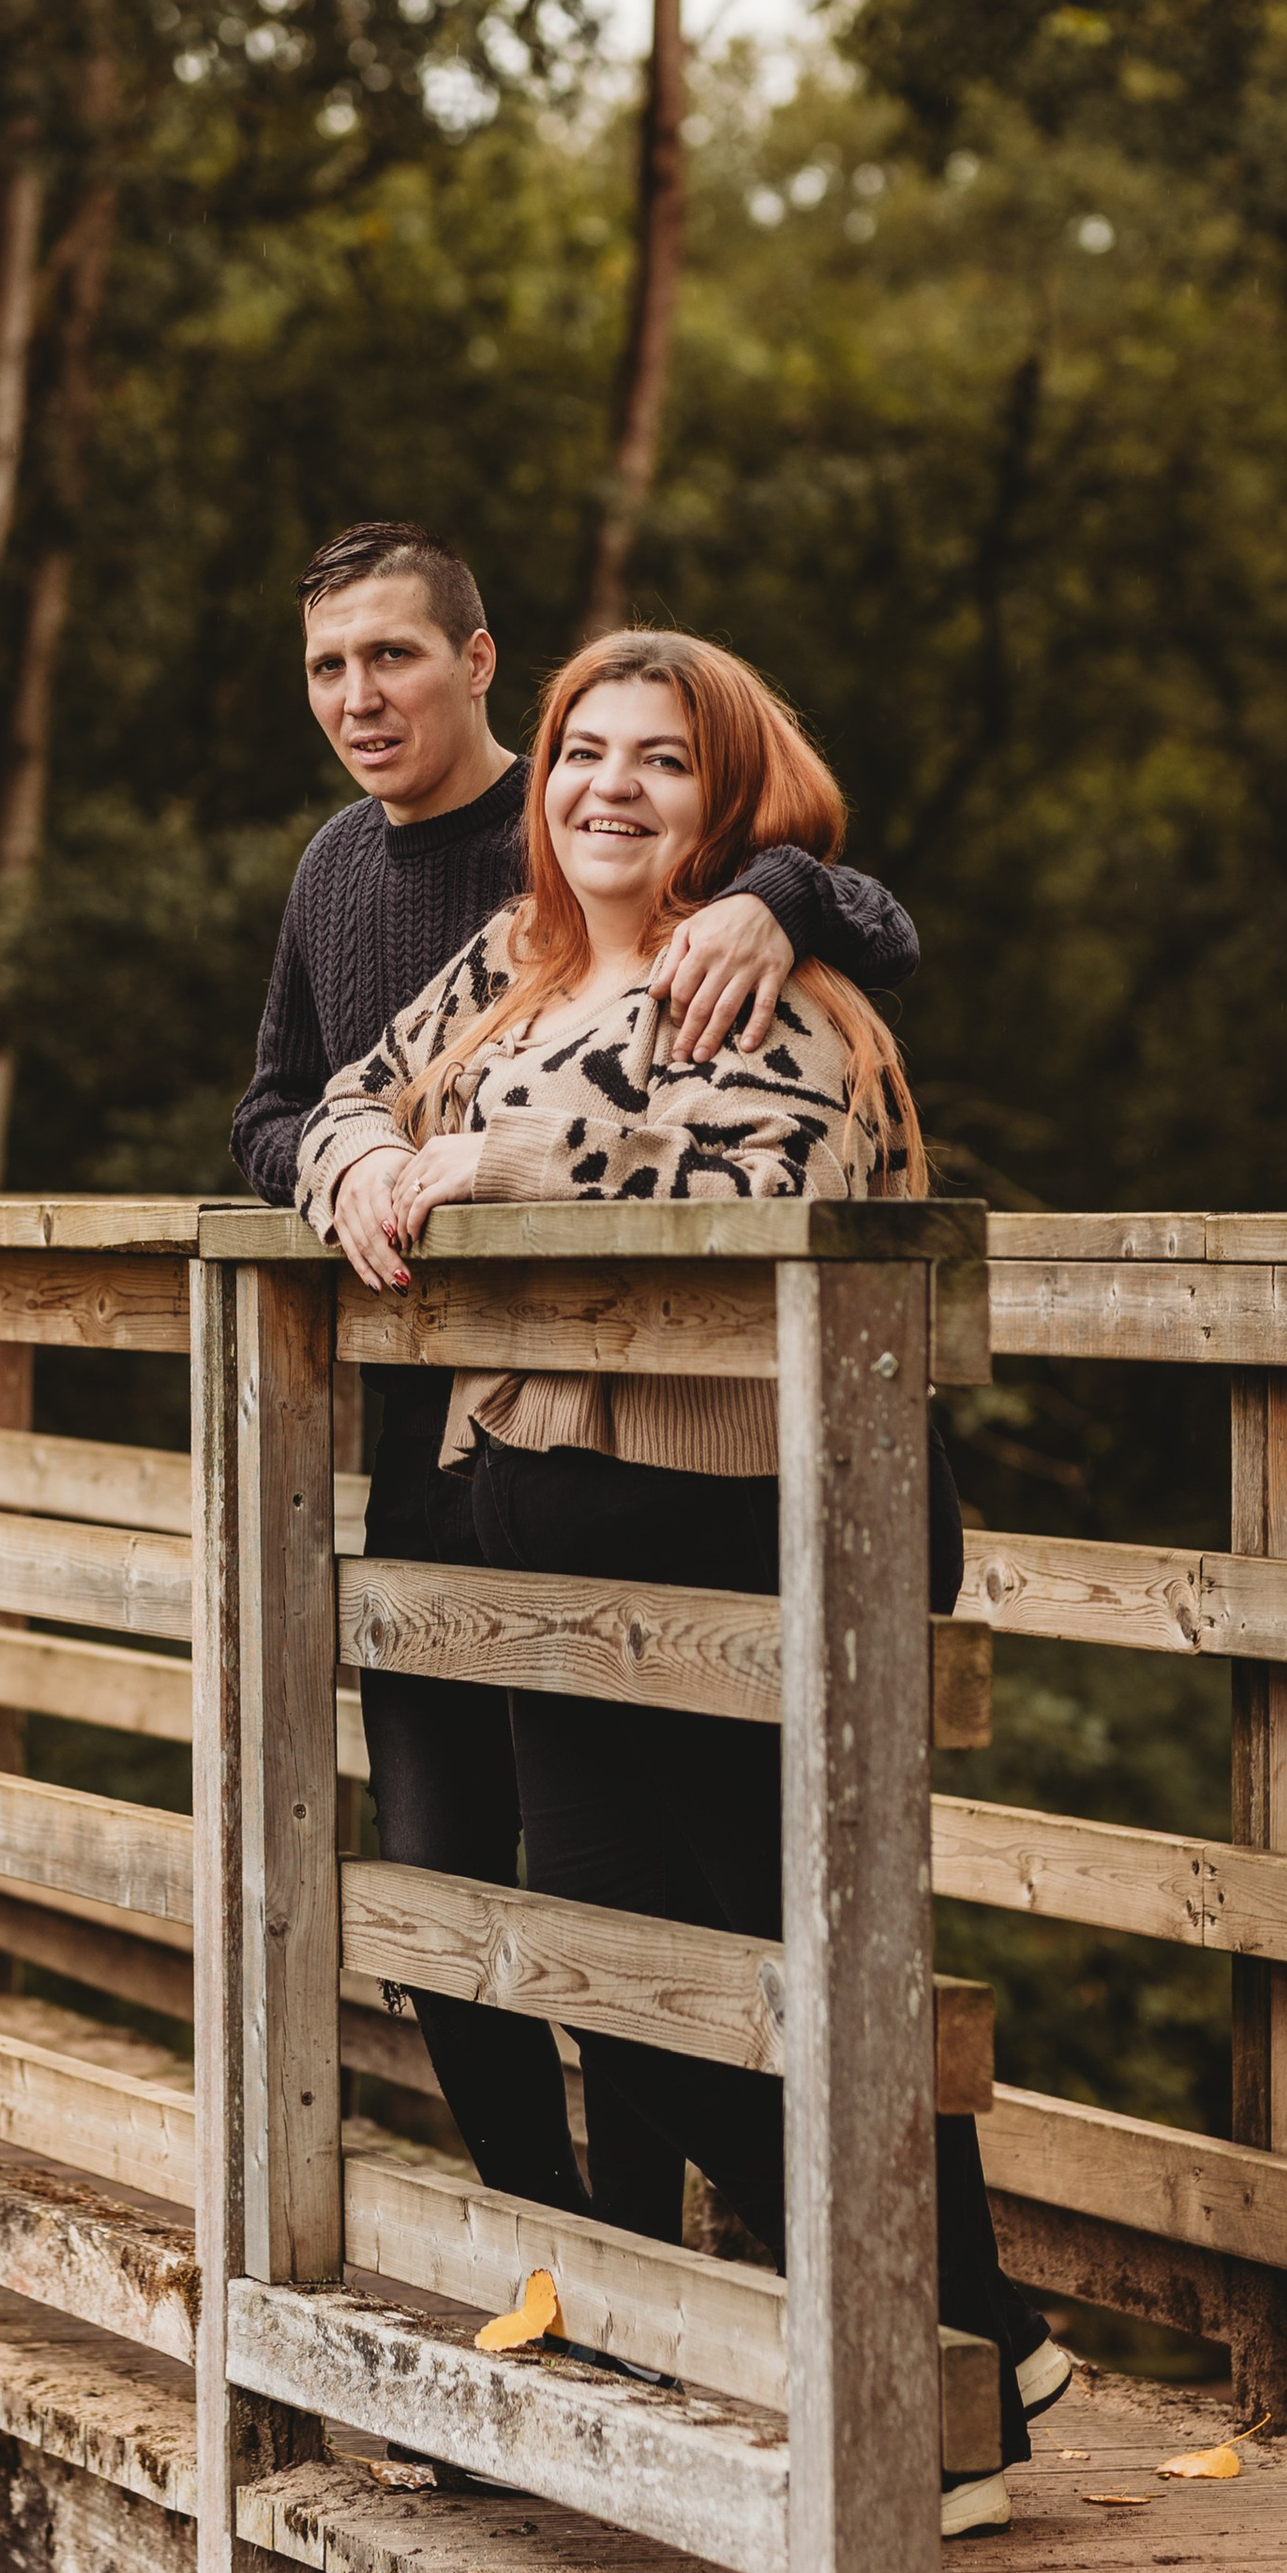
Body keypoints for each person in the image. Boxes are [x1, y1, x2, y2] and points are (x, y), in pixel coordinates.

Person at [293, 625, 1069, 2537]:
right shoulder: (515, 962)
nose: (606, 789)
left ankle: (951, 2384)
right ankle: (977, 2328)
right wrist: (371, 1173)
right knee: (625, 1968)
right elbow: (341, 1101)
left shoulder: (775, 978)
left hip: (749, 1526)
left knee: (801, 1966)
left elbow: (760, 1186)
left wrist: (490, 1161)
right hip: (544, 1521)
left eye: (656, 761)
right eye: (581, 753)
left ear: (727, 799)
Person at [233, 521, 921, 2239]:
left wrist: (778, 891)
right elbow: (286, 1102)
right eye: (328, 664)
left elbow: (856, 933)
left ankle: (768, 2265)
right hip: (444, 1435)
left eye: (393, 654)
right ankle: (574, 2262)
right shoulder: (355, 879)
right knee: (455, 1877)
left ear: (481, 667)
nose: (359, 694)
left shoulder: (641, 853)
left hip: (656, 1467)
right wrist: (354, 1175)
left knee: (657, 1897)